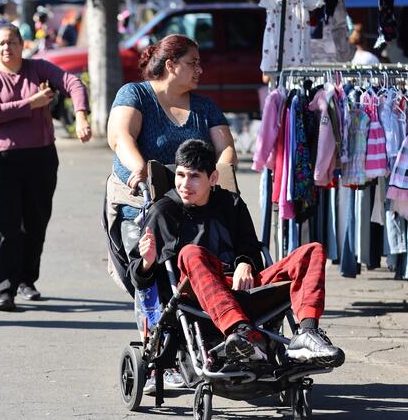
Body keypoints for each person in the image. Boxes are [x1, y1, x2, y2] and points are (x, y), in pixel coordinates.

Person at [130, 139, 345, 368]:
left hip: (241, 286)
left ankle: (307, 334)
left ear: (213, 178)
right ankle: (241, 333)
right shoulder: (163, 211)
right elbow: (139, 277)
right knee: (191, 252)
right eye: (180, 175)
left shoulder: (231, 204)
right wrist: (147, 262)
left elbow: (252, 247)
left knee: (313, 251)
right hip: (195, 294)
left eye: (194, 177)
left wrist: (245, 262)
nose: (184, 184)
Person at [0, 24, 92, 312]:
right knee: (8, 225)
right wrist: (32, 103)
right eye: (1, 43)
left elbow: (74, 84)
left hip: (40, 157)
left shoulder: (39, 68)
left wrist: (80, 117)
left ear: (22, 44)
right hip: (2, 160)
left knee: (36, 222)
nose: (7, 48)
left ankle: (27, 279)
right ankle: (6, 289)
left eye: (12, 42)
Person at [106, 34, 237, 260]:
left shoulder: (205, 107)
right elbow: (120, 136)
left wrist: (218, 176)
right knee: (151, 276)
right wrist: (139, 167)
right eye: (192, 63)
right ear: (170, 65)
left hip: (196, 211)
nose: (200, 69)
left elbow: (226, 149)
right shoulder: (135, 94)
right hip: (143, 208)